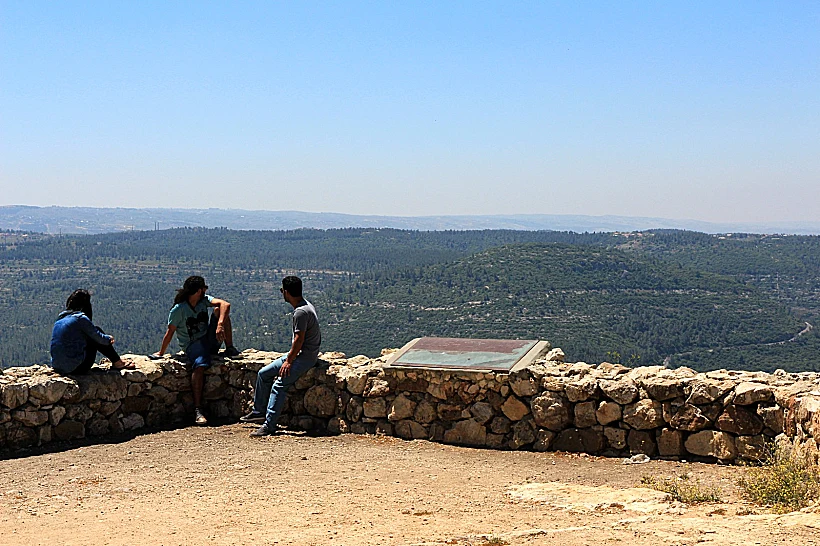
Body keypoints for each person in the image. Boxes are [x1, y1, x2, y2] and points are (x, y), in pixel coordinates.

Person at [241, 275, 321, 437]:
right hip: (299, 354)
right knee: (263, 374)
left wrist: (288, 361)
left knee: (279, 385)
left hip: (304, 357)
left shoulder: (300, 312)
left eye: (281, 290)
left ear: (286, 292)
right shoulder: (305, 306)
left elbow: (299, 340)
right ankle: (258, 412)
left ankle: (269, 425)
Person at [154, 275, 240, 425]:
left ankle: (230, 347)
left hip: (207, 339)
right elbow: (170, 332)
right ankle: (198, 408)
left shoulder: (203, 301)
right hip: (192, 344)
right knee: (199, 365)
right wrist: (161, 352)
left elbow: (225, 304)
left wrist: (219, 325)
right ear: (199, 290)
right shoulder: (178, 310)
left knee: (220, 312)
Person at [50, 289, 136, 374]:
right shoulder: (80, 318)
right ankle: (118, 362)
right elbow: (99, 338)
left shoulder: (61, 318)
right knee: (96, 331)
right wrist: (108, 339)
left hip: (57, 367)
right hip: (76, 369)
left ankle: (117, 362)